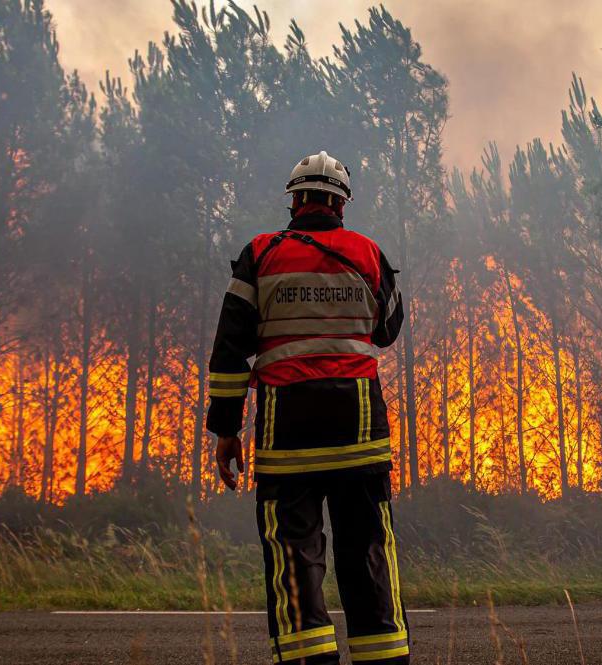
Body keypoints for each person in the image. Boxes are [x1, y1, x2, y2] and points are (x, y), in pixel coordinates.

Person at [206, 151, 408, 664]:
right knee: (367, 554)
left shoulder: (260, 254)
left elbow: (230, 350)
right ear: (341, 205)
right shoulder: (368, 253)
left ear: (294, 201)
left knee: (293, 558)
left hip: (286, 436)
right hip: (360, 433)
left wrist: (226, 430)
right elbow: (387, 331)